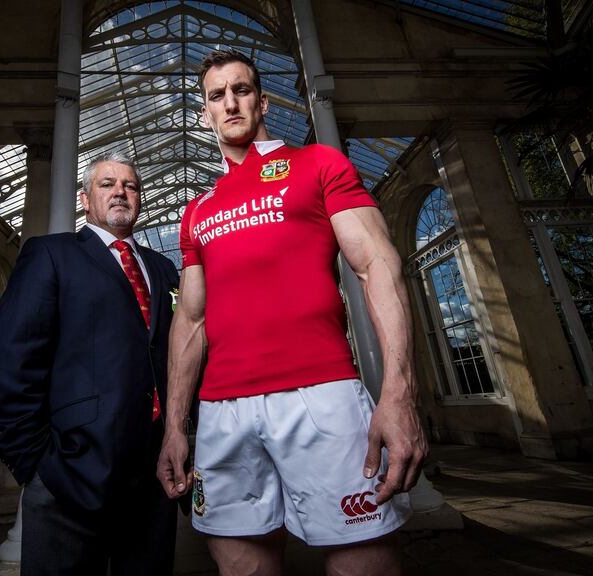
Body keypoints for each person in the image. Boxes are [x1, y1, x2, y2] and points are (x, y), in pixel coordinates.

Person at [156, 50, 427, 575]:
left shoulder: (318, 163)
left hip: (320, 395)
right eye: (217, 95)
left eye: (241, 90)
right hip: (222, 410)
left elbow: (378, 267)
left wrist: (399, 392)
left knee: (363, 561)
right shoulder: (198, 210)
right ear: (205, 111)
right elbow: (190, 322)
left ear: (261, 101)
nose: (230, 102)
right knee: (241, 565)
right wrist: (174, 425)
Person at [0, 152, 180, 576]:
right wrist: (35, 464)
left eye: (130, 185)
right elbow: (11, 357)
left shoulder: (164, 269)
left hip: (152, 477)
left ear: (140, 198)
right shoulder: (51, 254)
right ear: (84, 198)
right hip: (69, 476)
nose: (119, 192)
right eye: (107, 183)